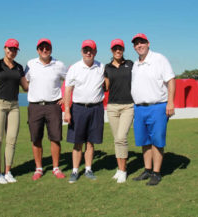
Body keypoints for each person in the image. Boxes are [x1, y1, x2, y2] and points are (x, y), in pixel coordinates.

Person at [131, 33, 175, 186]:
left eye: (142, 42)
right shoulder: (136, 64)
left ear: (148, 43)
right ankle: (147, 170)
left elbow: (170, 80)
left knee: (157, 141)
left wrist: (170, 102)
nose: (139, 45)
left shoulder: (159, 59)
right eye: (136, 44)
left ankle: (156, 173)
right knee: (145, 141)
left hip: (157, 106)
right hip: (139, 108)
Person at [25, 38, 67, 181]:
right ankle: (39, 168)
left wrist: (65, 97)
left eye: (47, 47)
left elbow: (69, 80)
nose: (44, 50)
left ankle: (56, 168)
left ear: (51, 49)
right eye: (41, 48)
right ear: (37, 50)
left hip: (53, 106)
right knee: (36, 138)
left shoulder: (59, 65)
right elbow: (25, 82)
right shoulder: (30, 64)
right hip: (35, 106)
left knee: (55, 138)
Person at [64, 39, 104, 183]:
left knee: (91, 142)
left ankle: (88, 169)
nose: (88, 52)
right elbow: (68, 90)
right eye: (86, 50)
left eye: (91, 50)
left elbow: (107, 84)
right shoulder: (74, 68)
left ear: (95, 52)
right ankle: (75, 171)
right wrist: (67, 111)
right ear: (81, 51)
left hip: (96, 108)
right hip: (78, 108)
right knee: (77, 142)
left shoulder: (101, 67)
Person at [0, 39, 28, 184]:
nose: (12, 51)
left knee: (12, 140)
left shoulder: (19, 67)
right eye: (10, 48)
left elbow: (26, 87)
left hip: (14, 106)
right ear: (4, 48)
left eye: (15, 49)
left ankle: (8, 172)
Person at [104, 39, 134, 183]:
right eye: (115, 48)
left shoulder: (130, 64)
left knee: (121, 137)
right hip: (112, 107)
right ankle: (119, 168)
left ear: (123, 49)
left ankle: (123, 170)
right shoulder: (107, 67)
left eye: (120, 48)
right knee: (117, 139)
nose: (118, 50)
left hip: (128, 106)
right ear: (111, 50)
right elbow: (106, 87)